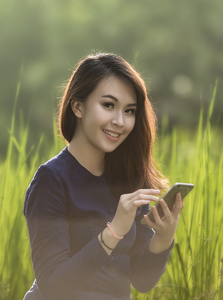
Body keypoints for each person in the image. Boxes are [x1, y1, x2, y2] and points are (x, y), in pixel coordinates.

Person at [23, 53, 184, 300]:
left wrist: (164, 237)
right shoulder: (51, 181)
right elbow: (53, 286)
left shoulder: (130, 178)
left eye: (129, 110)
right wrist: (114, 231)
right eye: (108, 105)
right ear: (77, 106)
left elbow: (141, 280)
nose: (120, 121)